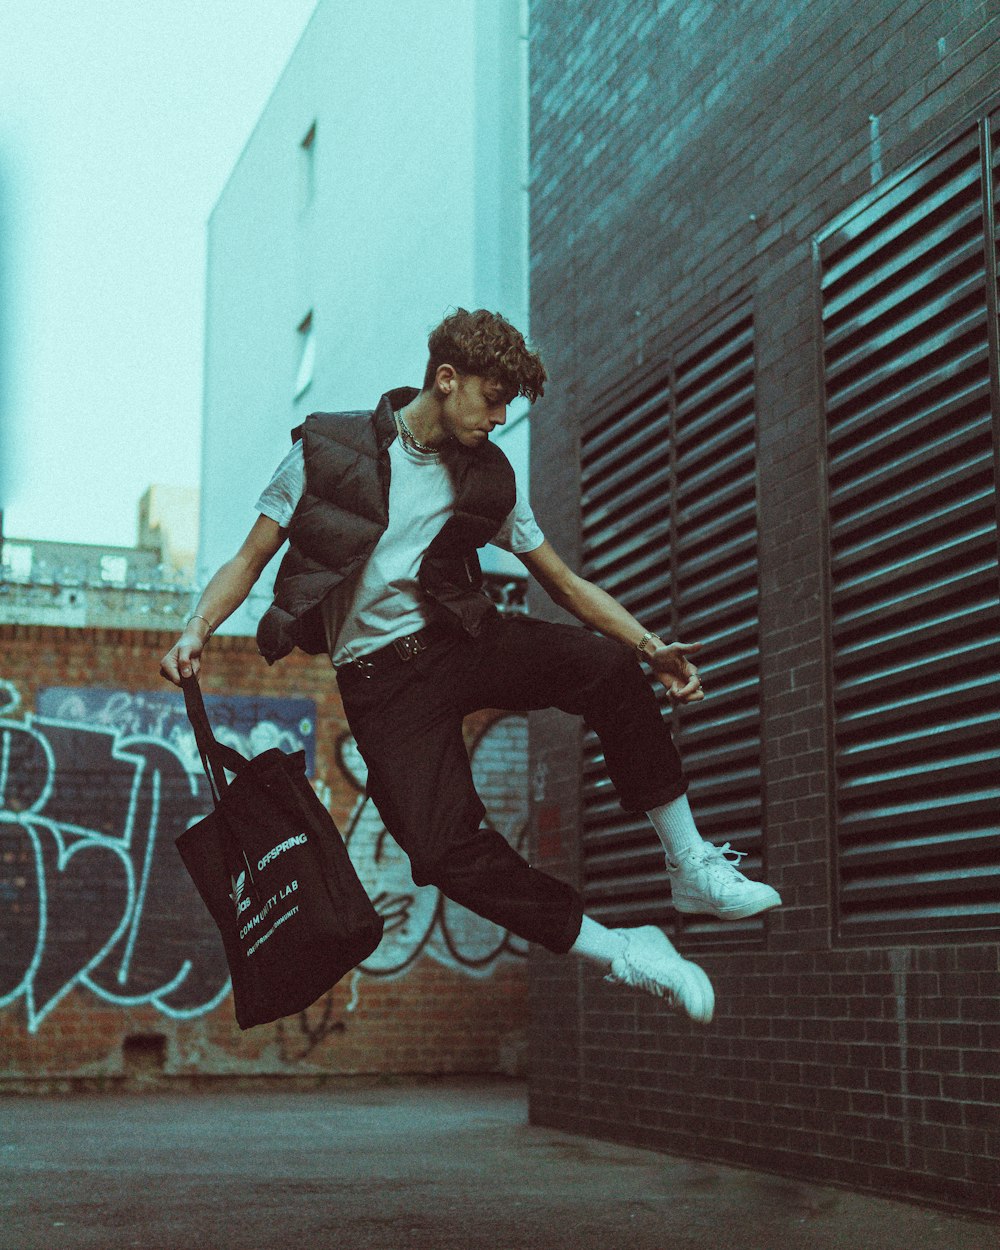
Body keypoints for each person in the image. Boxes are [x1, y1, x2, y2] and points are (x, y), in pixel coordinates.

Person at [160, 307, 781, 1025]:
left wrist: (650, 646)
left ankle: (691, 863)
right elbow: (248, 558)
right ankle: (628, 952)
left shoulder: (487, 477)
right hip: (382, 686)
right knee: (444, 853)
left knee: (606, 667)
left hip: (460, 641)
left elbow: (564, 584)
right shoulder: (325, 451)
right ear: (446, 379)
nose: (498, 418)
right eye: (491, 399)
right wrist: (196, 628)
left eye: (507, 406)